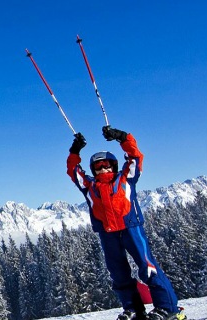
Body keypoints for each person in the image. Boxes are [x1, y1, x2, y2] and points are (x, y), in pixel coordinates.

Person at [67, 126, 185, 320]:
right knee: (118, 273)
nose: (103, 169)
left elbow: (135, 156)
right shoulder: (89, 186)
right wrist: (75, 151)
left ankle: (167, 307)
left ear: (114, 166)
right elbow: (73, 170)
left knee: (147, 267)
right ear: (93, 170)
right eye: (98, 166)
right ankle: (134, 310)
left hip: (131, 228)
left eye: (107, 165)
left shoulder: (126, 178)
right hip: (107, 233)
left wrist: (121, 137)